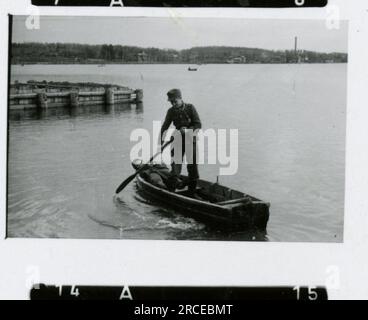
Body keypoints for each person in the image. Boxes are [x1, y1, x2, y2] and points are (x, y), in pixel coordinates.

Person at [160, 89, 202, 197]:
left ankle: (192, 193)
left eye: (175, 101)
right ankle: (172, 193)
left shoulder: (190, 108)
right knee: (175, 167)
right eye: (171, 102)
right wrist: (161, 141)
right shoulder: (171, 111)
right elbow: (165, 126)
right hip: (177, 140)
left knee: (193, 168)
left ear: (180, 98)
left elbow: (198, 125)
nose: (173, 104)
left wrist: (188, 130)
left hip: (190, 140)